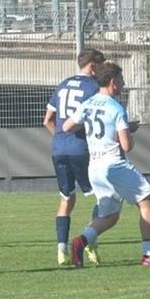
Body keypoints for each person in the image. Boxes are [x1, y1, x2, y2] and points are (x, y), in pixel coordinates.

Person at [64, 62, 150, 267]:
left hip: (94, 167)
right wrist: (128, 131)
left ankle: (81, 241)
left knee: (110, 216)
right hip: (114, 164)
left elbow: (68, 126)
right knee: (148, 203)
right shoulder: (116, 107)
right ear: (113, 82)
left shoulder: (88, 103)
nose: (123, 84)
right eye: (121, 80)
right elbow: (127, 146)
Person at [43, 48, 106, 267]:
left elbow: (47, 120)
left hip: (59, 149)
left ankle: (61, 250)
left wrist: (60, 137)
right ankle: (89, 240)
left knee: (66, 199)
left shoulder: (62, 85)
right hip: (82, 149)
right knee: (101, 196)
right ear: (93, 67)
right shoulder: (94, 87)